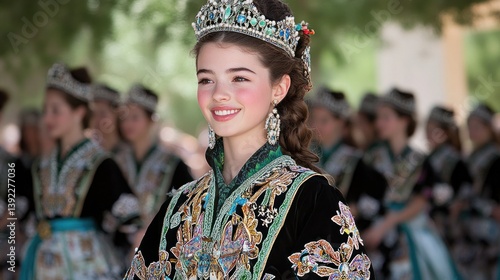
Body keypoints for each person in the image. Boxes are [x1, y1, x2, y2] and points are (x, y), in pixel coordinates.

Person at [124, 0, 373, 279]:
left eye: (239, 78)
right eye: (206, 79)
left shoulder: (311, 198)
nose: (219, 93)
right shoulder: (180, 205)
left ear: (279, 88)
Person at [20, 63, 140, 279]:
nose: (47, 118)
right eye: (45, 110)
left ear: (79, 112)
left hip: (86, 264)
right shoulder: (40, 166)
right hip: (43, 265)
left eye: (56, 111)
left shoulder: (101, 163)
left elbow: (131, 220)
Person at [363, 88, 460, 279]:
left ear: (403, 121)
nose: (378, 123)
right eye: (378, 117)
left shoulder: (419, 159)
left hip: (409, 237)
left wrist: (387, 224)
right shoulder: (370, 157)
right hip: (374, 238)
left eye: (386, 117)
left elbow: (424, 198)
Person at [309, 88, 387, 227]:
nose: (316, 126)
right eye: (314, 119)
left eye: (324, 121)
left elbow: (376, 195)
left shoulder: (356, 159)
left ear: (341, 123)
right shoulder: (305, 156)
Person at [116, 84, 192, 225]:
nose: (127, 124)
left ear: (151, 120)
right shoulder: (116, 160)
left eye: (135, 118)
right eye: (124, 118)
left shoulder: (172, 164)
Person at [462, 103, 500, 279]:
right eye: (470, 127)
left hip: (490, 228)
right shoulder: (470, 157)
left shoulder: (494, 157)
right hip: (471, 229)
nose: (472, 132)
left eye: (477, 127)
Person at [424, 106, 472, 245]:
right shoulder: (428, 158)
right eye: (427, 126)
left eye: (433, 127)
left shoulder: (455, 160)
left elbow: (466, 193)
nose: (427, 131)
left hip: (449, 228)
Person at [90, 83, 128, 156]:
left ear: (117, 114)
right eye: (93, 114)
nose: (96, 119)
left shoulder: (129, 154)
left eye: (102, 114)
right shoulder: (86, 151)